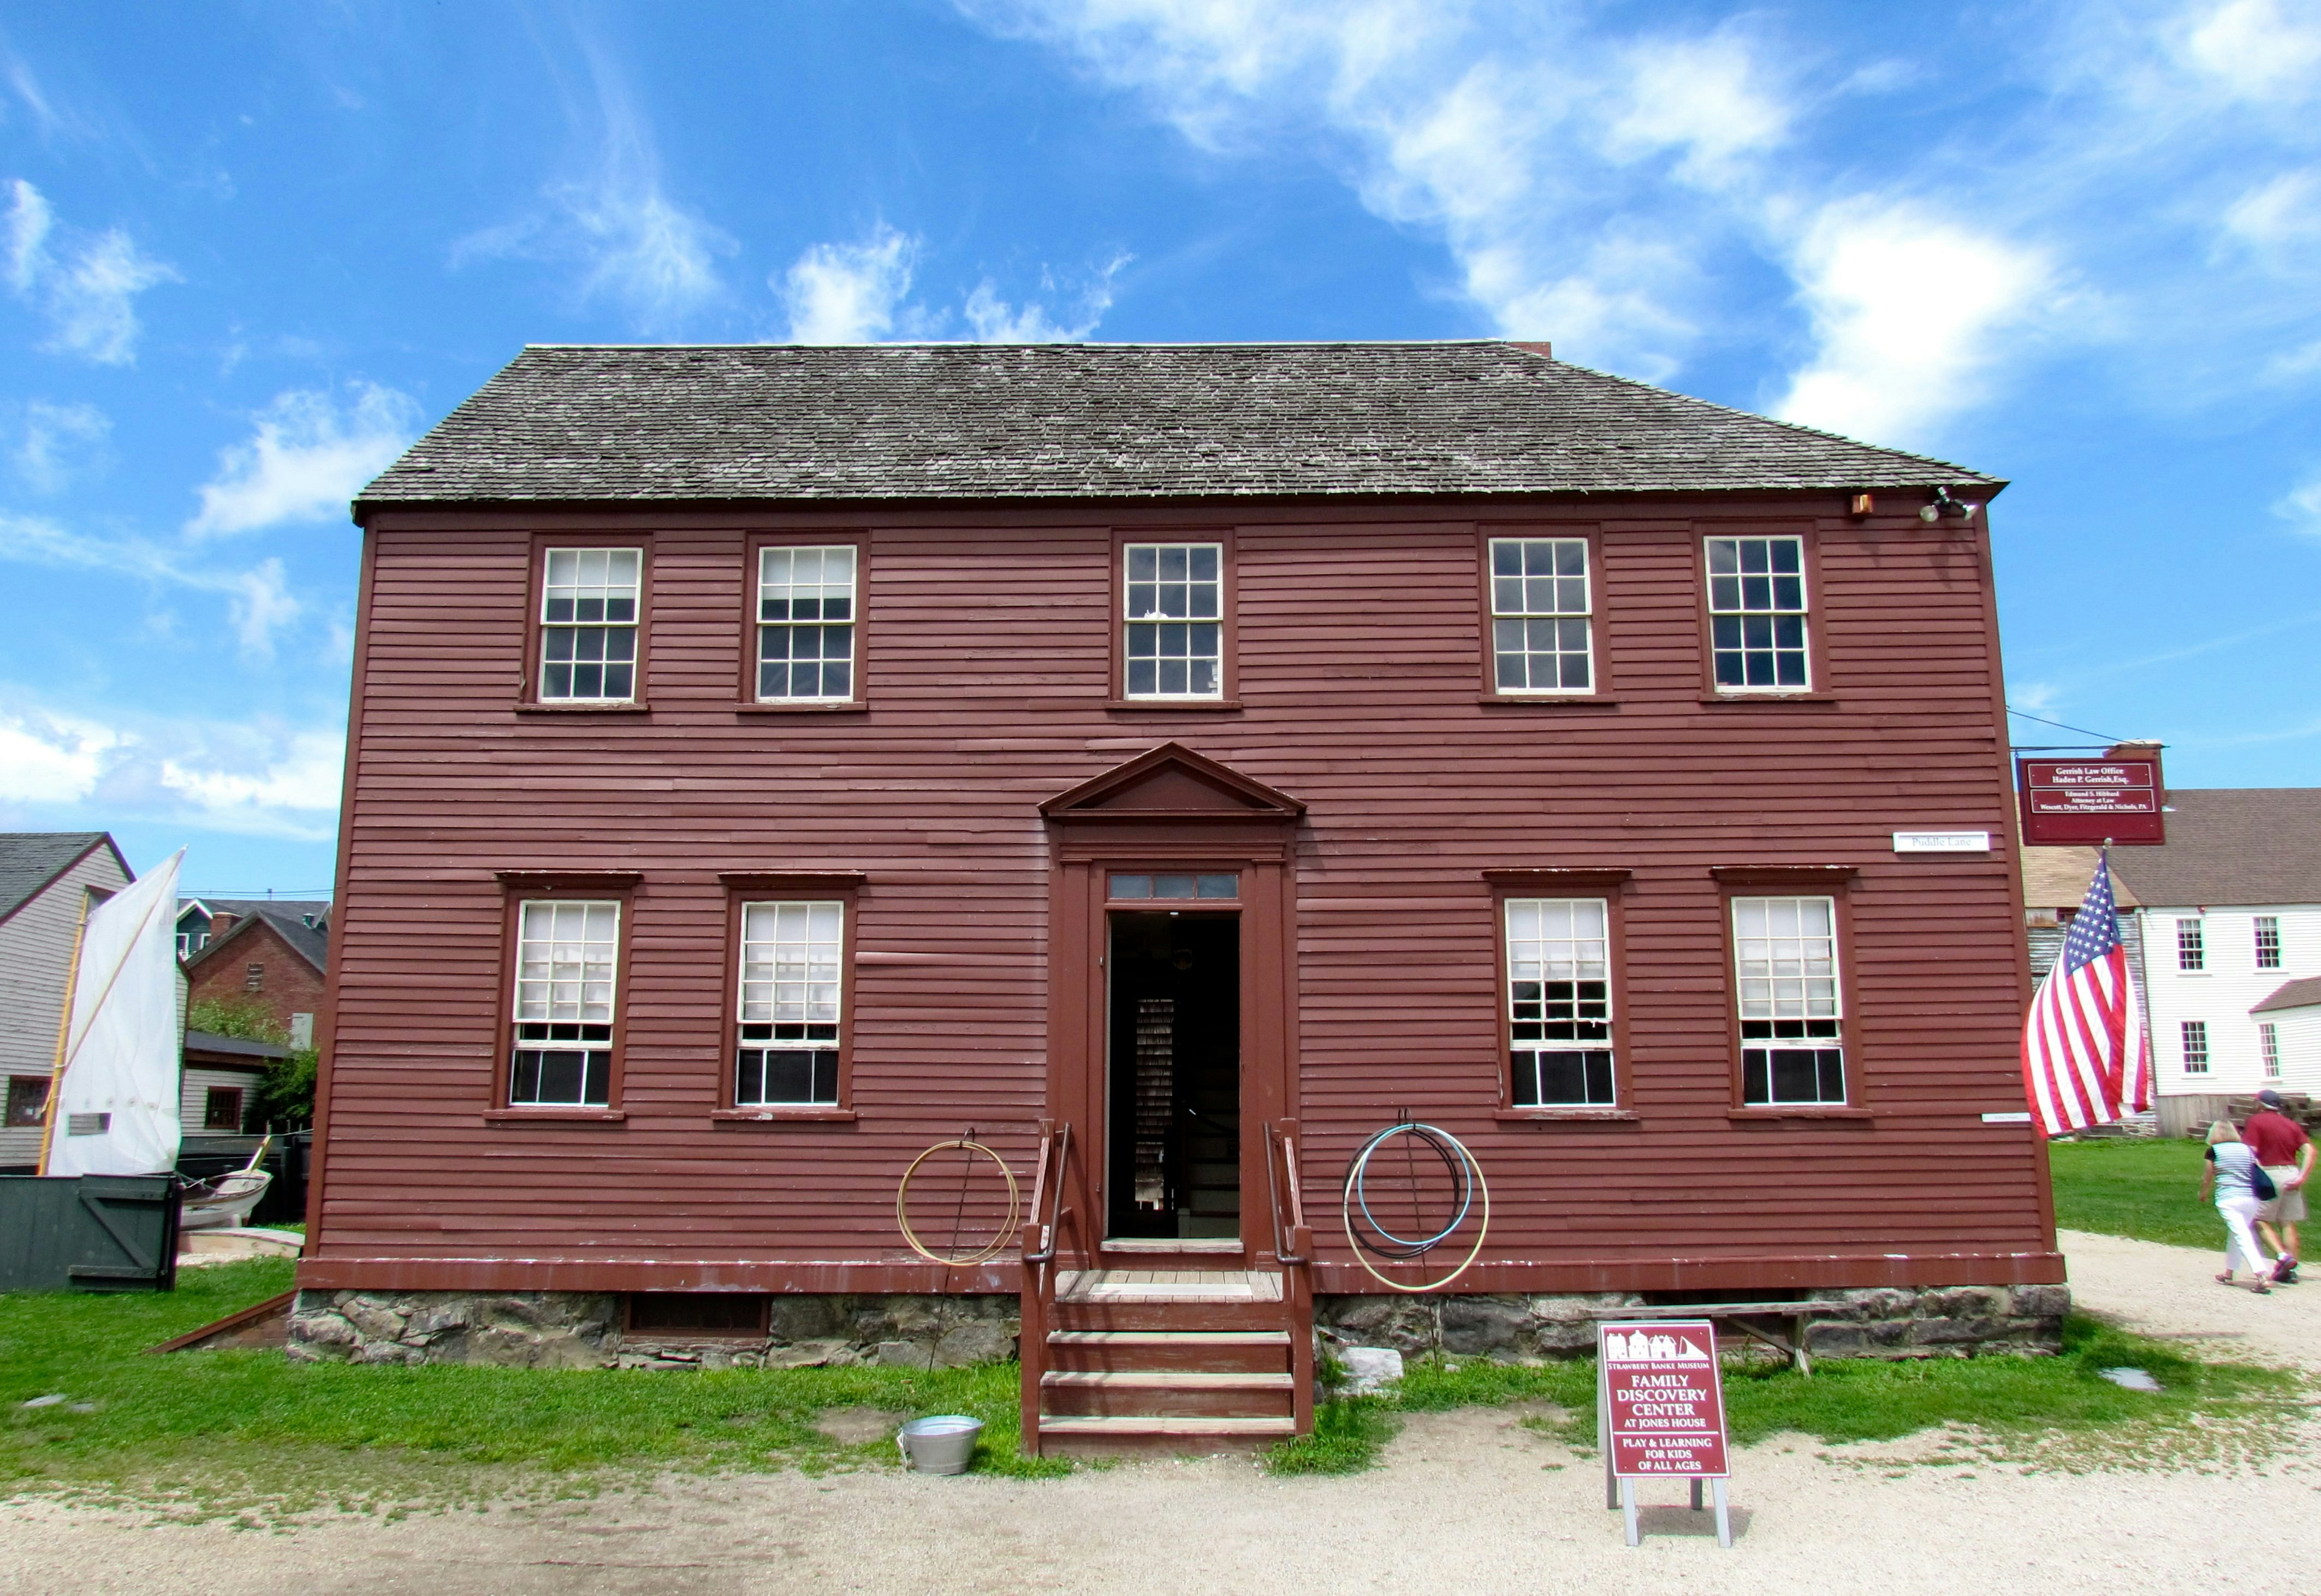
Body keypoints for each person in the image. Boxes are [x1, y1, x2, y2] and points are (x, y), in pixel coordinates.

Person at [2243, 1089, 2314, 1283]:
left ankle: (2284, 1257)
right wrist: (2301, 1176)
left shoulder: (2256, 1122)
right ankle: (2290, 1271)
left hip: (2269, 1172)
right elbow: (2310, 1150)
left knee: (2258, 1218)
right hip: (2291, 1172)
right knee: (2287, 1222)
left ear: (2261, 1104)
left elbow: (2251, 1153)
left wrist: (2254, 1174)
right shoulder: (2291, 1125)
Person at [2201, 1120, 2273, 1294]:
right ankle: (2229, 1273)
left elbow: (2208, 1175)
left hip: (2229, 1199)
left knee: (2242, 1236)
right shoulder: (2246, 1149)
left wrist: (2203, 1193)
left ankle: (2261, 1274)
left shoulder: (2214, 1151)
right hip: (2250, 1198)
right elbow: (2256, 1169)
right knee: (2237, 1234)